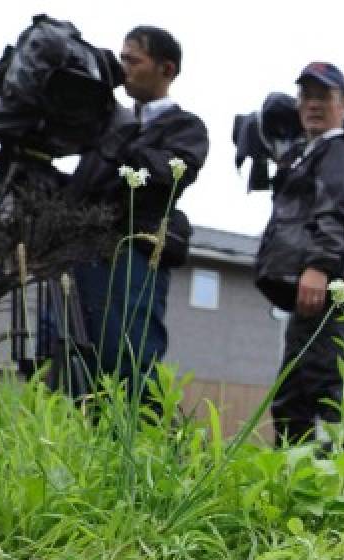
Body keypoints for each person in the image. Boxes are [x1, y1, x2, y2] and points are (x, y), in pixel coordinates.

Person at [66, 25, 209, 396]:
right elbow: (81, 190)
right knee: (78, 356)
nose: (122, 66)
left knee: (129, 354)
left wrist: (122, 139)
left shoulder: (186, 126)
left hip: (135, 253)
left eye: (133, 59)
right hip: (87, 253)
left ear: (167, 69)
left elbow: (168, 176)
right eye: (121, 58)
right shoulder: (111, 124)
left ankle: (139, 443)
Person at [255, 61, 344, 446]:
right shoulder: (307, 153)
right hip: (310, 292)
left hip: (323, 286)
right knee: (295, 393)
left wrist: (318, 267)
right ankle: (293, 478)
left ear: (342, 105)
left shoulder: (338, 151)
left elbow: (338, 212)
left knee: (330, 383)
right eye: (306, 95)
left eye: (323, 96)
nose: (312, 104)